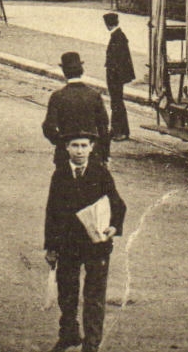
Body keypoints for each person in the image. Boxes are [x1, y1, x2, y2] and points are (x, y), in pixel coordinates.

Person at [44, 132, 126, 352]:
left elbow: (118, 204)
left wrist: (113, 227)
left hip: (96, 245)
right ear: (67, 149)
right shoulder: (60, 175)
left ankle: (91, 344)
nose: (79, 151)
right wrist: (51, 246)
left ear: (91, 148)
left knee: (94, 296)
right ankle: (69, 333)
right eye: (74, 146)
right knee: (67, 293)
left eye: (83, 146)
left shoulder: (101, 173)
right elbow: (52, 211)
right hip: (68, 244)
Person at [43, 52, 110, 168]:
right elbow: (103, 128)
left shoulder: (58, 96)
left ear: (64, 72)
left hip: (65, 155)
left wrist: (63, 144)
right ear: (81, 70)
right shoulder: (94, 95)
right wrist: (104, 155)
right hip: (91, 154)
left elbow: (48, 127)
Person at [103, 13, 135, 142]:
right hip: (116, 76)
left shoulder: (117, 37)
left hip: (115, 77)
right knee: (116, 103)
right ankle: (117, 130)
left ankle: (120, 131)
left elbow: (117, 60)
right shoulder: (119, 35)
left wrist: (114, 76)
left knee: (117, 103)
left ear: (108, 24)